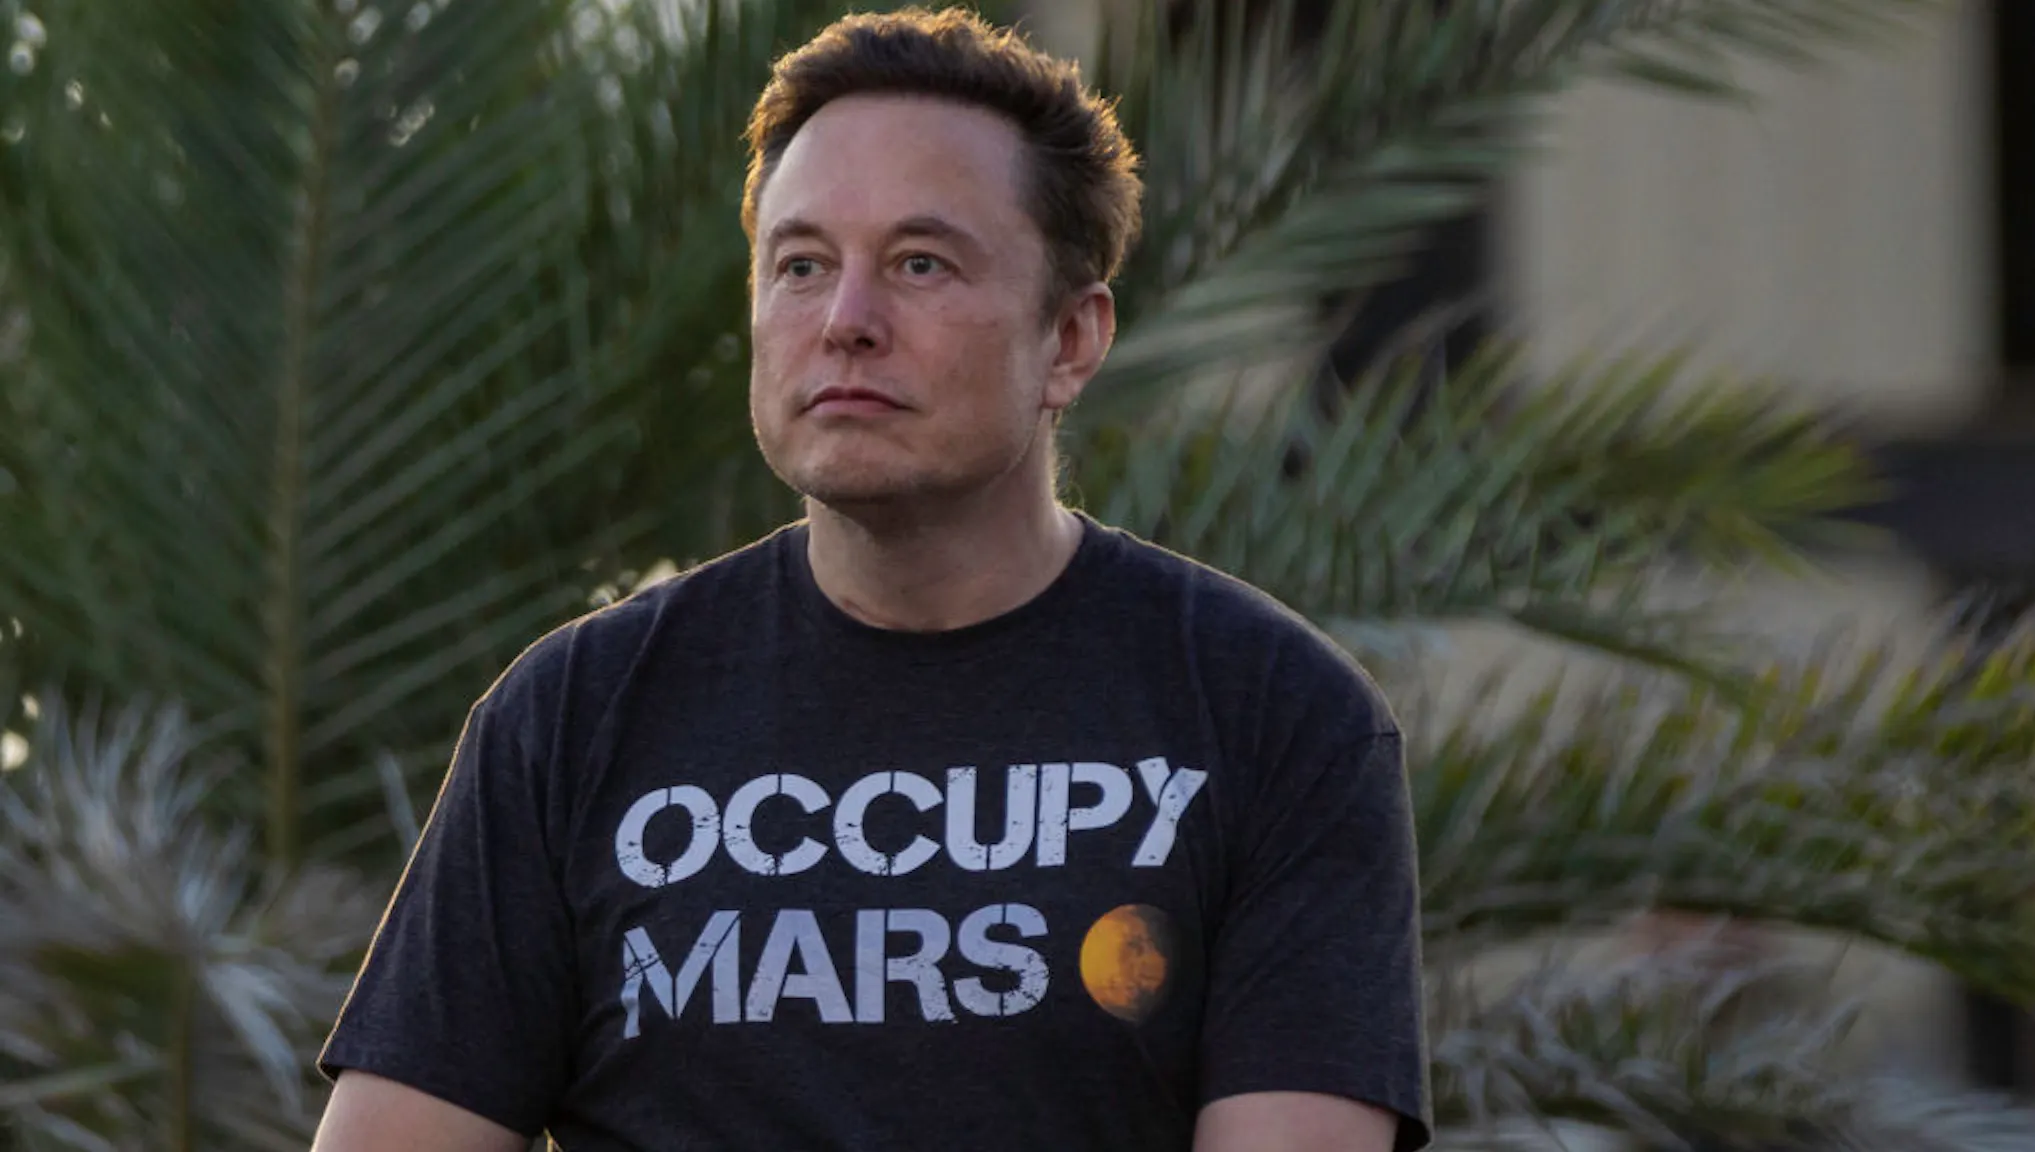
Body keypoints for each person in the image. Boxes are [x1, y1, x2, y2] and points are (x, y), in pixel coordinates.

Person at [310, 6, 1431, 1150]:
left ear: (1070, 340)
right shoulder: (574, 716)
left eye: (919, 264)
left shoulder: (1269, 716)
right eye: (801, 266)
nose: (846, 321)